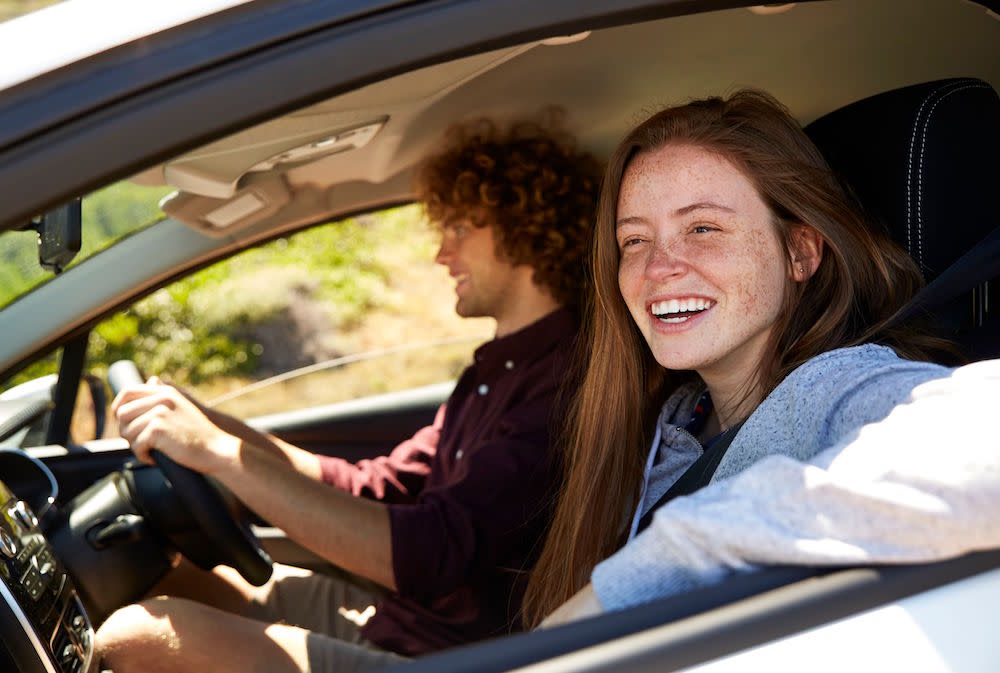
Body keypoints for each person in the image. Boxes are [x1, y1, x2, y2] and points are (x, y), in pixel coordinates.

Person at [96, 116, 602, 673]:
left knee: (135, 638)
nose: (441, 253)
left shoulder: (562, 386)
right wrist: (218, 430)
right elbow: (376, 486)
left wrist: (218, 454)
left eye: (460, 228)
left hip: (450, 656)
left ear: (527, 227)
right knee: (173, 580)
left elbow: (430, 553)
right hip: (399, 619)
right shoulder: (497, 368)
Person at [522, 89, 1000, 627]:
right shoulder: (675, 416)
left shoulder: (832, 387)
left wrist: (679, 550)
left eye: (702, 228)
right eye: (634, 241)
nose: (657, 268)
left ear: (800, 252)